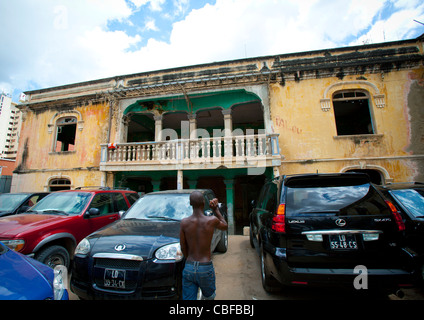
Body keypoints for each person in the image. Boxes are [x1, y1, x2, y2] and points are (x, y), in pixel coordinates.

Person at [179, 191, 228, 300]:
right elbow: (224, 225)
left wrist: (189, 259)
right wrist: (216, 210)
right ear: (203, 203)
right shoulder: (211, 220)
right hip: (205, 266)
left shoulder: (184, 222)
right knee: (209, 297)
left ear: (190, 204)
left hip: (189, 266)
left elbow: (183, 247)